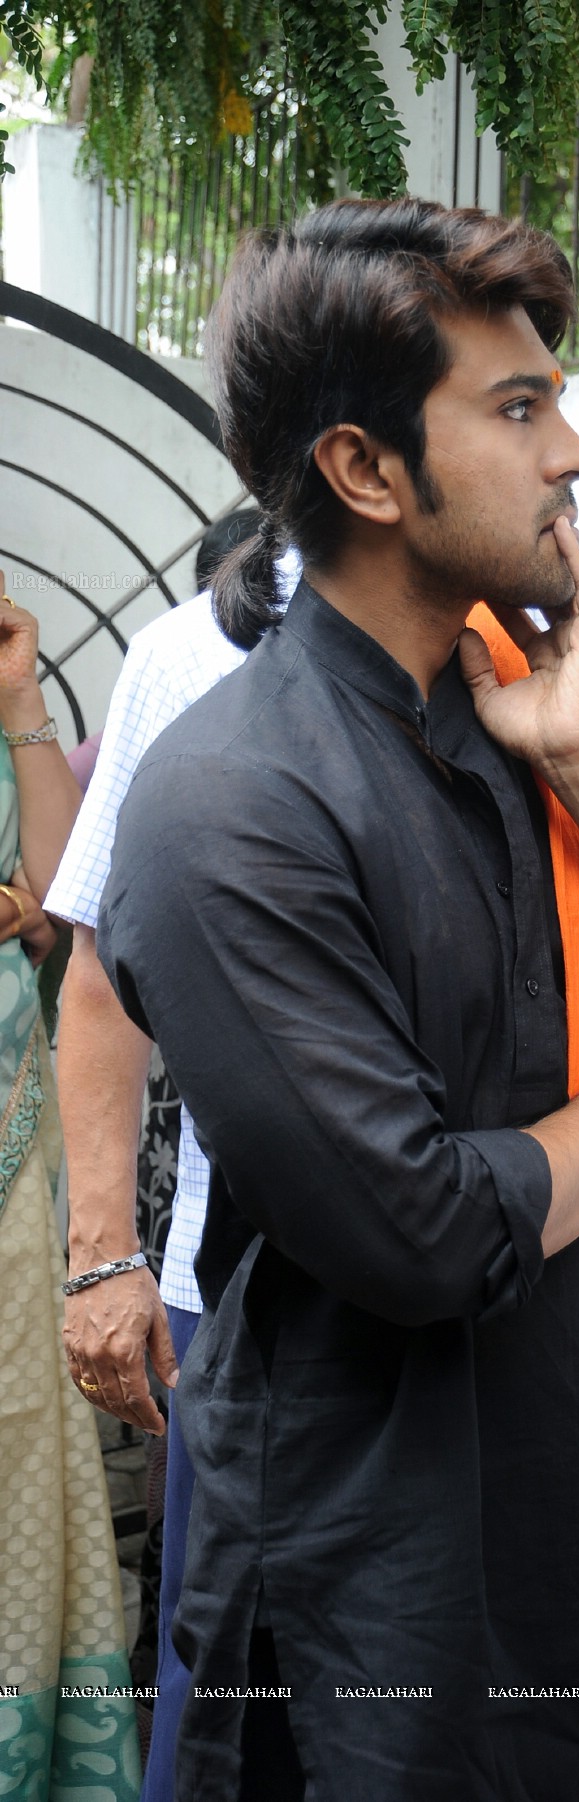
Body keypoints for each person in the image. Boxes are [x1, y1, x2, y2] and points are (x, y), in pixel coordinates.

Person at [93, 197, 579, 1802]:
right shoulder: (233, 802)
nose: (571, 450)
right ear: (364, 470)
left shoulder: (543, 718)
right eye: (515, 408)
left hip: (577, 1497)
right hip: (360, 1563)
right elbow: (419, 1232)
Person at [48, 514, 301, 1802]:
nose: (560, 454)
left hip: (497, 1280)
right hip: (242, 1292)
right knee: (231, 1690)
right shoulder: (194, 651)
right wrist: (104, 1255)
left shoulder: (535, 656)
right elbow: (94, 962)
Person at [0, 576, 141, 1799]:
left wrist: (18, 692)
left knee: (16, 1440)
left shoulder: (5, 711)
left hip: (8, 1147)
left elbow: (63, 894)